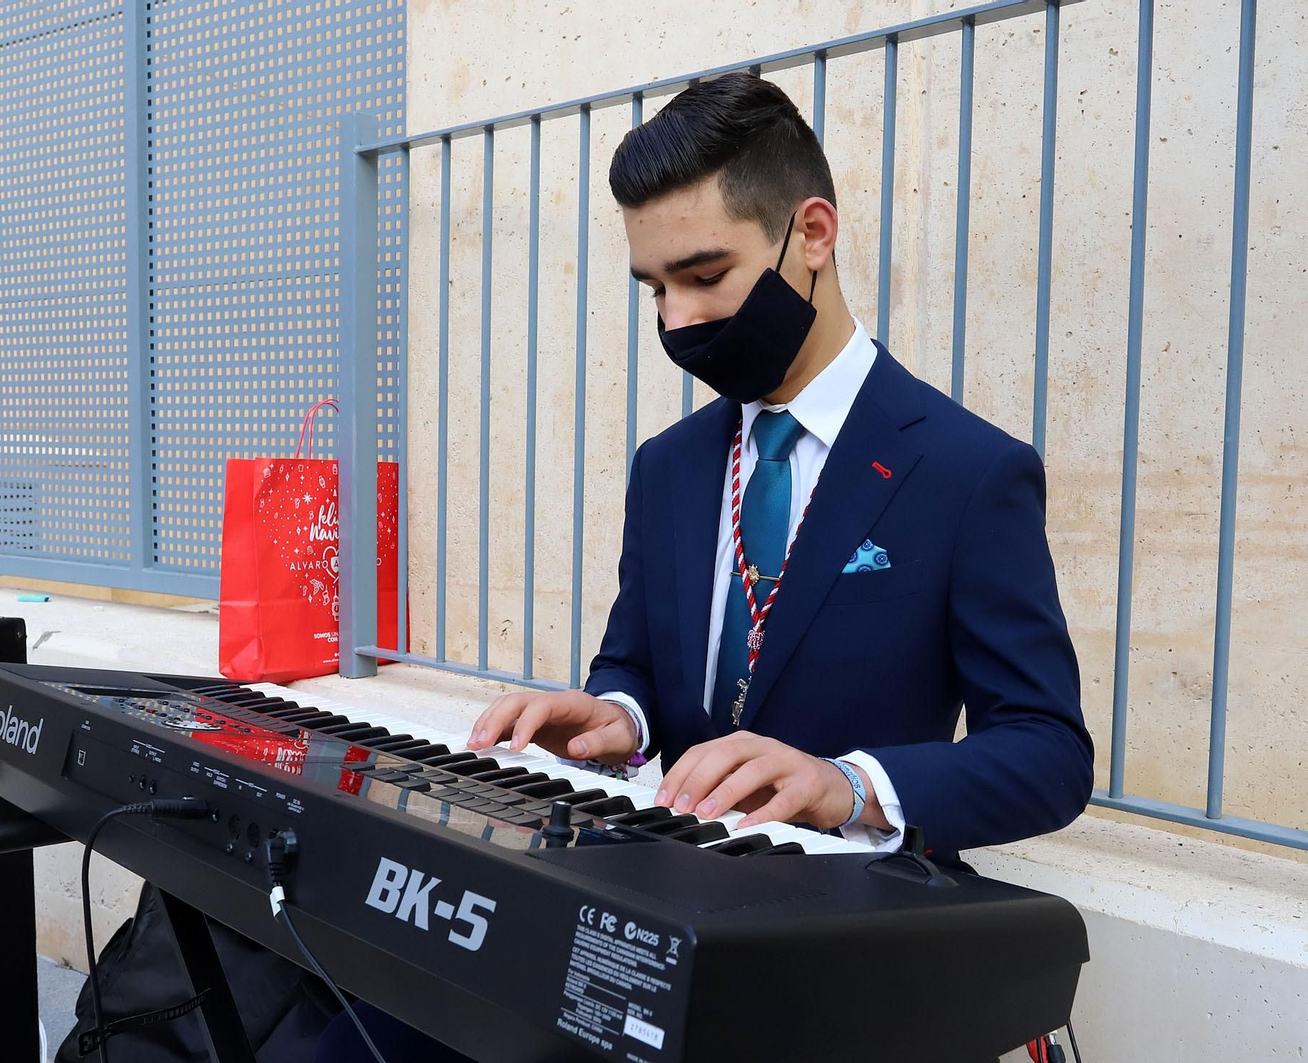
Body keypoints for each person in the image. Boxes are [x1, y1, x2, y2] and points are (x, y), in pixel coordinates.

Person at [319, 70, 1094, 1063]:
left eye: (704, 273)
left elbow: (1045, 751)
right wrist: (617, 715)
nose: (678, 319)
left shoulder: (967, 470)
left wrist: (846, 785)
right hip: (635, 917)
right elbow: (635, 664)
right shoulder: (670, 468)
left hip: (835, 961)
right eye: (655, 288)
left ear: (812, 233)